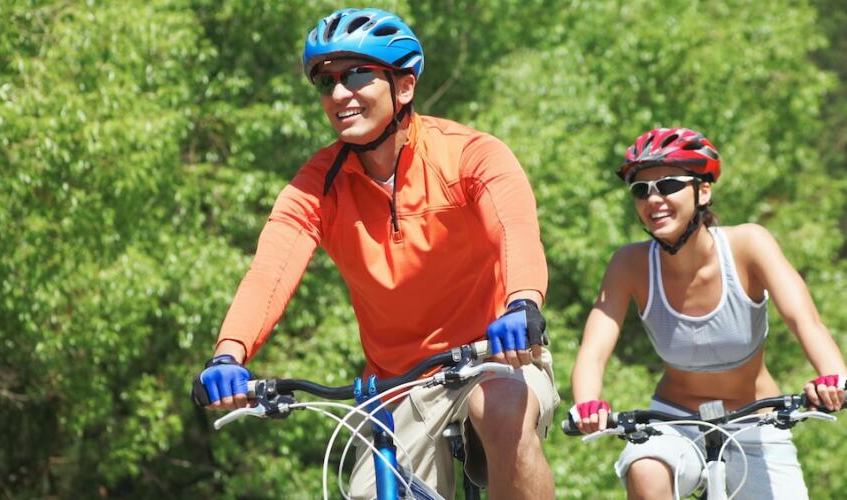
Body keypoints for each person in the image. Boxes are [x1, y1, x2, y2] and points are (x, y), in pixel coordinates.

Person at [193, 8, 559, 499]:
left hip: (493, 358)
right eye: (326, 82)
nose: (338, 94)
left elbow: (515, 228)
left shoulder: (469, 155)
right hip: (398, 386)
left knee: (499, 408)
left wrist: (523, 302)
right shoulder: (317, 185)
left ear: (403, 87)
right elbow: (269, 272)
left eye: (356, 75)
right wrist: (228, 353)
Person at [569, 127, 847, 499]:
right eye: (641, 190)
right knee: (646, 470)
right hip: (674, 423)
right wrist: (587, 403)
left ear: (703, 191)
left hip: (757, 424)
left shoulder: (749, 244)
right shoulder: (628, 264)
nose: (654, 199)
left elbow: (805, 321)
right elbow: (594, 350)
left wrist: (834, 379)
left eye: (668, 185)